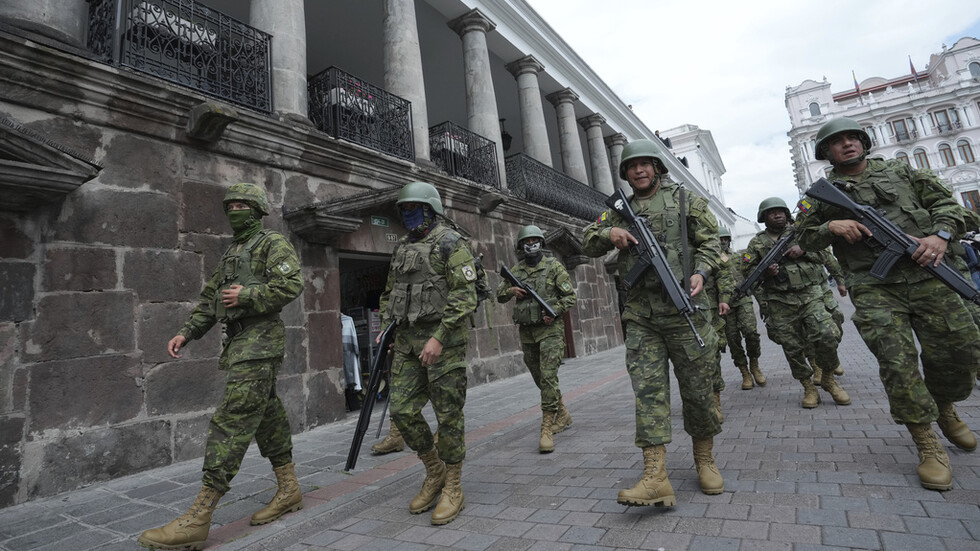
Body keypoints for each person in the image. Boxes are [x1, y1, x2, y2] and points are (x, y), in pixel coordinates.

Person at [796, 117, 978, 491]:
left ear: (863, 142)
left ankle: (944, 406)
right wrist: (830, 227)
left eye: (852, 138)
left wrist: (940, 236)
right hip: (875, 285)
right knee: (898, 364)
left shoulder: (903, 172)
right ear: (825, 152)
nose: (847, 145)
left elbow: (950, 206)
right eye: (837, 142)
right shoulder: (820, 195)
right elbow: (800, 237)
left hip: (929, 273)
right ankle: (926, 442)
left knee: (960, 350)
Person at [138, 183, 305, 550]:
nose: (235, 210)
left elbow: (293, 283)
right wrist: (187, 333)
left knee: (233, 418)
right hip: (240, 342)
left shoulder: (271, 243)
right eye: (230, 205)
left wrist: (249, 294)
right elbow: (211, 298)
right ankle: (289, 488)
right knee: (267, 415)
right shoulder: (233, 252)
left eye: (242, 204)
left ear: (258, 209)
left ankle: (200, 515)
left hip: (260, 343)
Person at [583, 138, 724, 505]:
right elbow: (587, 240)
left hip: (686, 312)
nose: (640, 170)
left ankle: (704, 459)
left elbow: (712, 243)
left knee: (697, 392)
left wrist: (703, 273)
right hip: (642, 317)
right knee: (648, 394)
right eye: (632, 166)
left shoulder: (684, 200)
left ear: (657, 168)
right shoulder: (619, 209)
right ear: (625, 173)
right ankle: (655, 476)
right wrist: (608, 233)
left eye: (646, 164)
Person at [378, 181, 478, 524]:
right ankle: (433, 469)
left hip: (443, 342)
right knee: (403, 410)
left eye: (414, 208)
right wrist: (387, 326)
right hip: (406, 342)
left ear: (431, 209)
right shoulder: (402, 247)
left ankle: (453, 483)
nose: (408, 215)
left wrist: (439, 336)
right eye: (404, 210)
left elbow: (465, 296)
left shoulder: (451, 243)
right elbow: (390, 291)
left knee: (448, 415)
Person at [742, 197, 851, 409]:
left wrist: (805, 249)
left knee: (828, 334)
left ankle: (828, 377)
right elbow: (748, 273)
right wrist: (766, 273)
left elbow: (824, 256)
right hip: (780, 301)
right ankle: (808, 386)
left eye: (781, 211)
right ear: (764, 217)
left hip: (811, 295)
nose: (777, 214)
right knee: (792, 347)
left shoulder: (802, 233)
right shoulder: (756, 243)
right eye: (772, 212)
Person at [497, 225, 578, 453]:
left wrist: (554, 311)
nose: (530, 244)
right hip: (527, 331)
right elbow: (499, 294)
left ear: (541, 243)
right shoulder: (517, 270)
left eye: (535, 240)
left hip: (550, 330)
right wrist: (513, 291)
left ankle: (547, 426)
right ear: (521, 245)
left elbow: (570, 297)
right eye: (527, 241)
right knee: (538, 375)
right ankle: (562, 412)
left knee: (549, 375)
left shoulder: (553, 267)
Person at [719, 227, 766, 390]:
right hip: (724, 305)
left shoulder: (739, 257)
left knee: (750, 332)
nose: (723, 242)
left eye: (725, 239)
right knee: (733, 339)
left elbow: (752, 277)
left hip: (743, 299)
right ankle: (744, 372)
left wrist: (762, 302)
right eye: (720, 239)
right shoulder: (711, 259)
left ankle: (754, 363)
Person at [702, 229, 735, 422]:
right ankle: (690, 401)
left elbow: (725, 274)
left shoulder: (713, 248)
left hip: (710, 308)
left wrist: (724, 298)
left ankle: (715, 401)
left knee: (712, 353)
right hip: (678, 309)